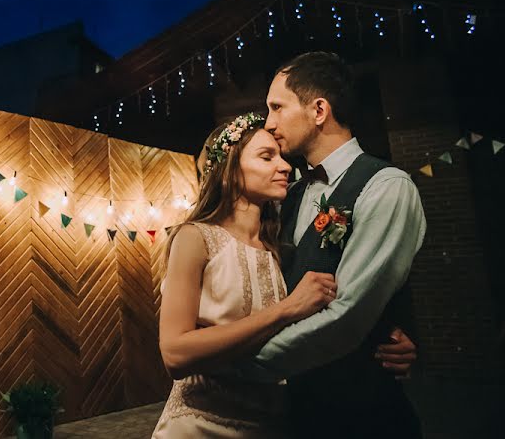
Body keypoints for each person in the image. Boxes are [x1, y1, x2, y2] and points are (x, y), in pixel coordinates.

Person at [152, 106, 417, 437]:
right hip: (201, 425)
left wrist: (384, 337)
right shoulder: (194, 237)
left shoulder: (280, 243)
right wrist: (286, 309)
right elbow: (175, 354)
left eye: (280, 156)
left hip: (274, 426)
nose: (284, 166)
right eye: (266, 157)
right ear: (230, 170)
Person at [227, 50, 426, 438]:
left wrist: (239, 366)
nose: (269, 123)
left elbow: (350, 315)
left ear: (319, 110)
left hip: (362, 416)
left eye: (277, 107)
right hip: (294, 414)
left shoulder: (386, 187)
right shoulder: (290, 195)